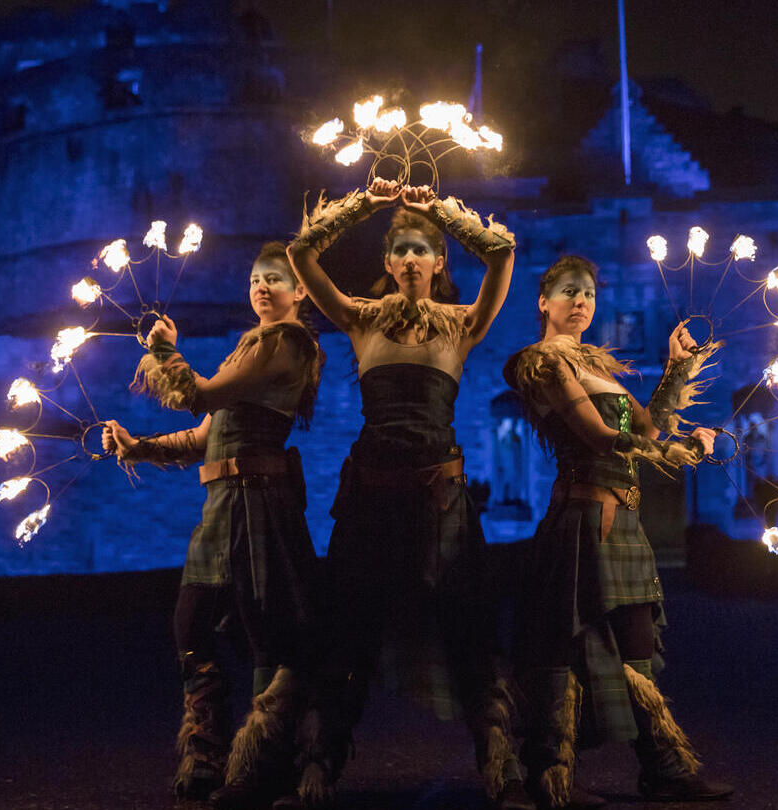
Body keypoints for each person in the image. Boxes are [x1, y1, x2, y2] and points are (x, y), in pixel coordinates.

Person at [282, 178, 530, 810]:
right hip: (371, 494)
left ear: (440, 263)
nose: (414, 258)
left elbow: (501, 254)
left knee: (470, 631)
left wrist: (437, 209)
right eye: (403, 251)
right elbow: (301, 256)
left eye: (425, 249)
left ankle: (503, 770)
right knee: (348, 633)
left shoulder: (462, 322)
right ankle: (318, 768)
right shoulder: (360, 318)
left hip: (440, 497)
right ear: (388, 264)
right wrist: (367, 203)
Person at [503, 255, 734, 806]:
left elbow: (648, 423)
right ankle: (551, 774)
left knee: (635, 647)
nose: (580, 300)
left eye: (588, 292)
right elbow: (600, 435)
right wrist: (673, 450)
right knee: (571, 643)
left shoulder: (597, 368)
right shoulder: (539, 362)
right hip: (586, 517)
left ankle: (661, 768)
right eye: (567, 291)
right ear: (543, 301)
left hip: (623, 518)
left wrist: (676, 369)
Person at [101, 241, 323, 808]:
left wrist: (165, 351)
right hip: (221, 508)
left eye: (275, 278)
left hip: (260, 505)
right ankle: (210, 752)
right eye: (254, 278)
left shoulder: (287, 343)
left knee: (267, 634)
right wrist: (139, 446)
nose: (262, 286)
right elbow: (205, 434)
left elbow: (198, 394)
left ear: (301, 291)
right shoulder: (248, 349)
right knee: (190, 626)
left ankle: (262, 766)